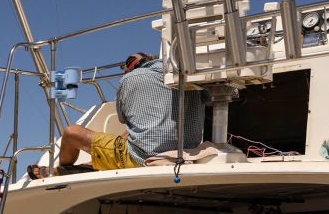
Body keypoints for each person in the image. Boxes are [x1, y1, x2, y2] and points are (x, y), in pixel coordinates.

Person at [28, 51, 205, 178]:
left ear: (130, 67)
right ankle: (91, 166)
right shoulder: (186, 74)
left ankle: (62, 172)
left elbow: (123, 118)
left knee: (71, 133)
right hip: (188, 151)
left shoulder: (130, 79)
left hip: (142, 157)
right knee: (131, 134)